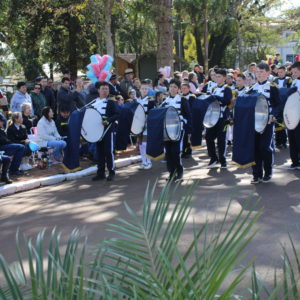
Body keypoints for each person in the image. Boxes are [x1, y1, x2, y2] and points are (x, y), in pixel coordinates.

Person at [247, 63, 280, 183]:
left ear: (267, 73)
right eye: (257, 72)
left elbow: (277, 104)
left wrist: (274, 115)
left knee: (265, 147)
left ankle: (268, 172)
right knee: (254, 147)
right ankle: (256, 174)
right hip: (255, 122)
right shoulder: (252, 88)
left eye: (261, 72)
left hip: (268, 121)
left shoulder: (273, 87)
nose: (259, 74)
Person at [161, 79, 192, 181]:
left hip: (179, 130)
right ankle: (171, 173)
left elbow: (188, 116)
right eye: (171, 87)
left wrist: (183, 123)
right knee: (168, 153)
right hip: (167, 131)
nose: (172, 89)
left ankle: (179, 171)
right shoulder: (165, 101)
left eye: (175, 87)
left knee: (175, 152)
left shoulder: (183, 100)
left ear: (178, 89)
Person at [92, 81, 120, 181]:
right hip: (97, 131)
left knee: (108, 151)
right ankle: (100, 173)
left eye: (107, 89)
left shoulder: (111, 101)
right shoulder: (94, 102)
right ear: (98, 90)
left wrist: (108, 120)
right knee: (99, 152)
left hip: (108, 130)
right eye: (103, 89)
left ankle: (111, 172)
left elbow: (117, 114)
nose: (105, 91)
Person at [205, 69, 232, 168]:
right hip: (212, 118)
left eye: (219, 76)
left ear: (224, 78)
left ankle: (223, 159)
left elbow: (227, 101)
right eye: (216, 76)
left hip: (223, 119)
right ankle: (213, 158)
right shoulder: (213, 88)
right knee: (208, 137)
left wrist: (216, 97)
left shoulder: (227, 88)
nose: (217, 78)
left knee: (221, 139)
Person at [136, 80, 156, 170]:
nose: (144, 90)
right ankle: (143, 162)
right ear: (139, 89)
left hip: (147, 124)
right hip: (139, 124)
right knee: (140, 143)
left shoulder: (151, 99)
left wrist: (146, 120)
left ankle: (148, 161)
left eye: (146, 89)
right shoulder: (137, 100)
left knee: (145, 143)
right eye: (142, 88)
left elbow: (152, 112)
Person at [287, 61, 300, 170]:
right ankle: (294, 161)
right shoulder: (294, 81)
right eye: (293, 72)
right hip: (292, 114)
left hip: (299, 115)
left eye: (296, 72)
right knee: (292, 138)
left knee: (298, 138)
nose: (293, 74)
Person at [180, 83, 196, 159]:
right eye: (182, 88)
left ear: (189, 89)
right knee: (183, 137)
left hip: (189, 119)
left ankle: (188, 151)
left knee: (188, 136)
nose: (183, 90)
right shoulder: (180, 97)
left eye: (185, 88)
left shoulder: (192, 97)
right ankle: (183, 151)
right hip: (181, 119)